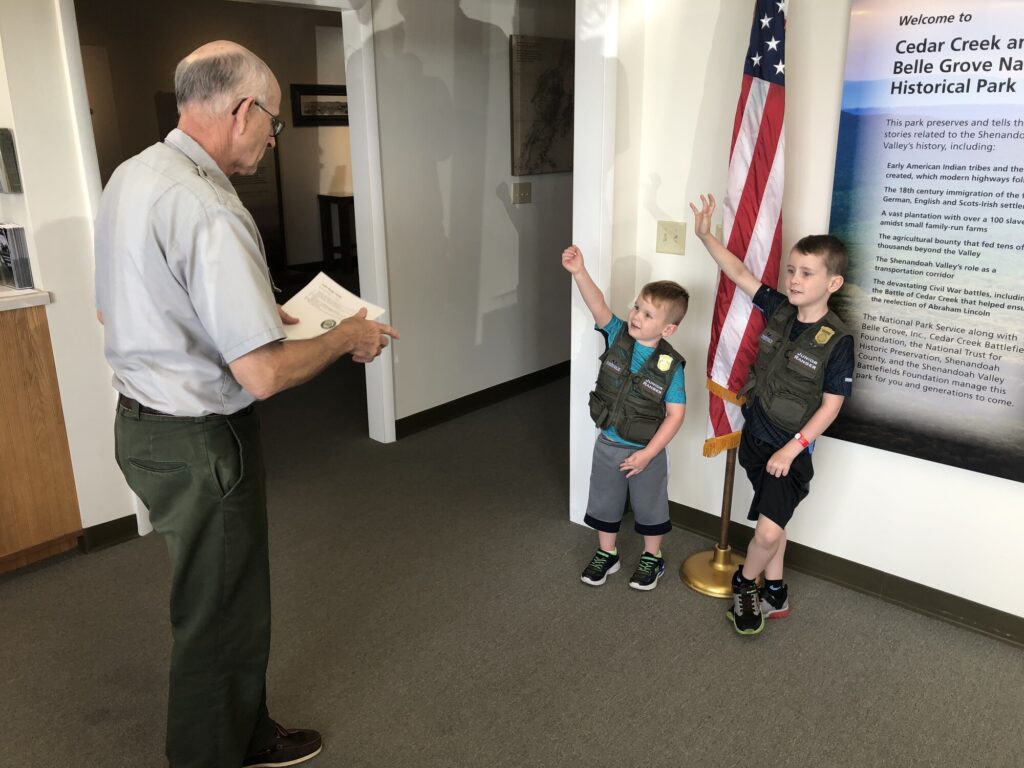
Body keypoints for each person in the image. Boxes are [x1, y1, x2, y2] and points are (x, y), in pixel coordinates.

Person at [94, 41, 399, 768]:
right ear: (241, 111)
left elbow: (124, 309)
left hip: (141, 425)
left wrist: (261, 310)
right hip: (200, 441)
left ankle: (249, 730)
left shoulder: (133, 177)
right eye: (274, 122)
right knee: (220, 615)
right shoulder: (208, 207)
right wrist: (347, 337)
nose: (272, 136)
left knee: (222, 595)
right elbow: (261, 375)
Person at [690, 193, 854, 636]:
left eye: (807, 273)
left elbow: (832, 405)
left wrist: (794, 448)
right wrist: (706, 236)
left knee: (764, 534)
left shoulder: (837, 341)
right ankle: (776, 589)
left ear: (832, 283)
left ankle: (746, 585)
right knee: (771, 520)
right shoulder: (779, 308)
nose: (795, 279)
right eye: (792, 270)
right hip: (756, 436)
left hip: (789, 448)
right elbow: (738, 272)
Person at [562, 244, 688, 591]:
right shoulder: (617, 333)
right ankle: (608, 553)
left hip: (647, 452)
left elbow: (675, 416)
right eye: (637, 307)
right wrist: (579, 272)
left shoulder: (670, 366)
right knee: (604, 500)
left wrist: (648, 454)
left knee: (650, 507)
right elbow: (598, 304)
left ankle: (652, 557)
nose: (636, 316)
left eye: (648, 315)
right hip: (608, 443)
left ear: (668, 329)